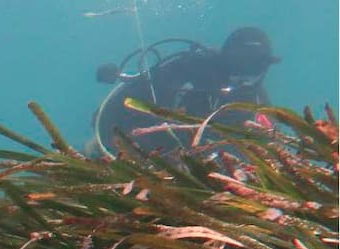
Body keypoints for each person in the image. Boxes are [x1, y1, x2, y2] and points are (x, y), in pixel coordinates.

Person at [90, 26, 280, 157]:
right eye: (239, 61)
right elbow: (114, 110)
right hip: (141, 155)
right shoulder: (186, 71)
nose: (244, 73)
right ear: (224, 56)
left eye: (255, 65)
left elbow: (267, 147)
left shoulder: (257, 102)